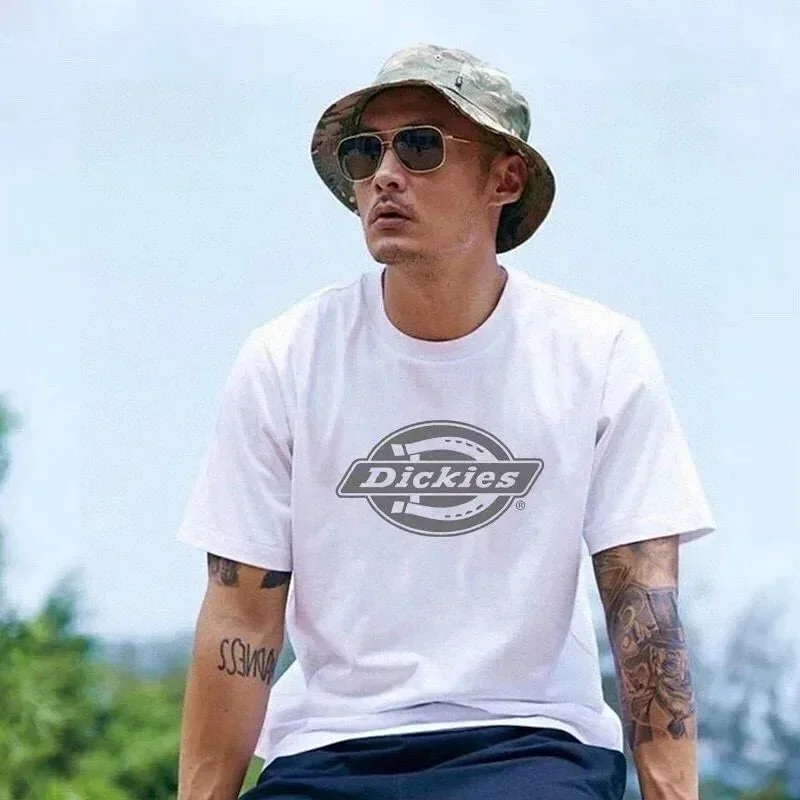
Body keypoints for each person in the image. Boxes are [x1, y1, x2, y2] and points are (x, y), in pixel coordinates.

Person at [176, 43, 716, 800]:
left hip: (531, 745)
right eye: (365, 153)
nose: (385, 174)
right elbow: (241, 619)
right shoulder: (286, 357)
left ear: (505, 178)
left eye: (421, 146)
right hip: (331, 749)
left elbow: (644, 611)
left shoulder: (598, 354)